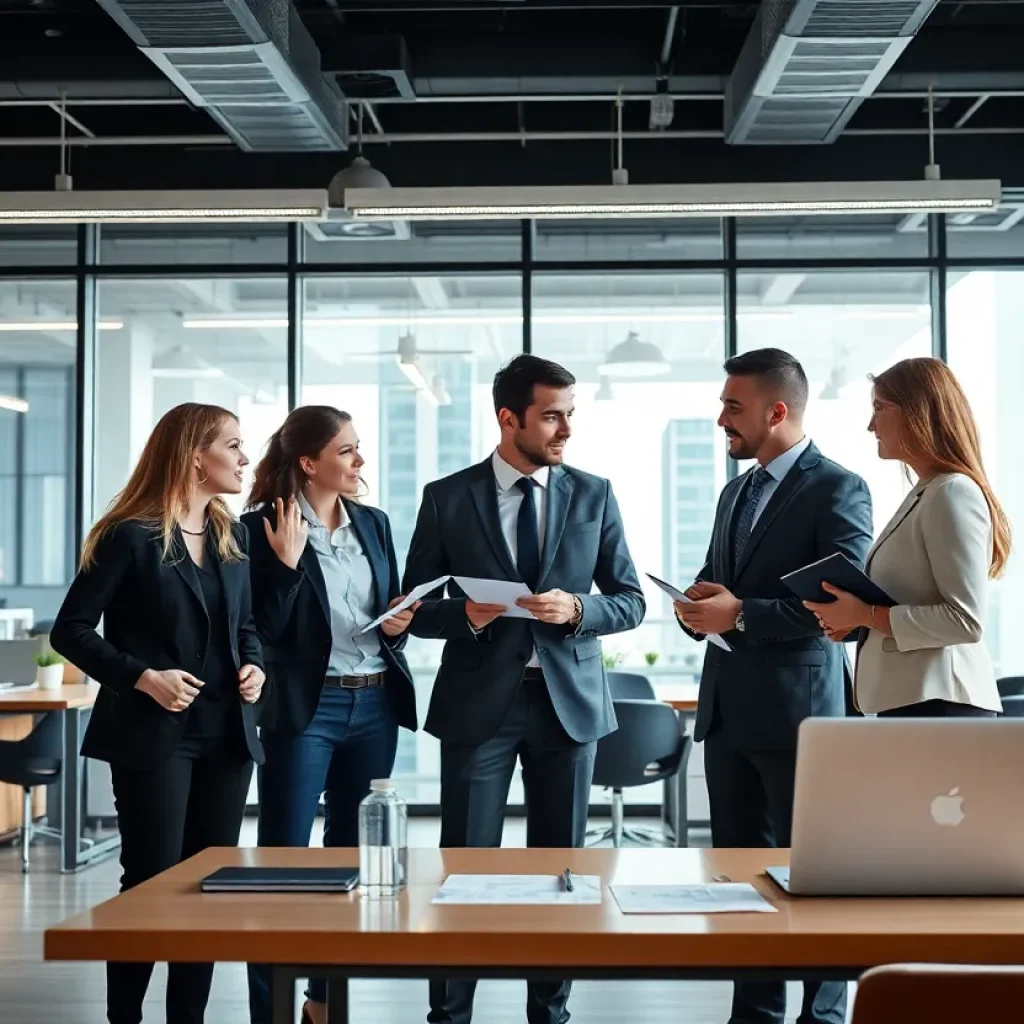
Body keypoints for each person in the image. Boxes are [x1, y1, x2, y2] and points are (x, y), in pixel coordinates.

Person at [403, 354, 645, 1024]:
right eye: (552, 415)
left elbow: (629, 601)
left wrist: (578, 609)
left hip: (568, 709)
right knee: (464, 870)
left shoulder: (593, 493)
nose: (566, 428)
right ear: (509, 418)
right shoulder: (447, 496)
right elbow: (415, 607)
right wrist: (465, 614)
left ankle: (551, 1012)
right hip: (480, 705)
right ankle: (449, 1014)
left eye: (571, 413)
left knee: (561, 873)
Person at [49, 402, 265, 1024]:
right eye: (233, 444)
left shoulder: (233, 533)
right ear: (196, 456)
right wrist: (142, 677)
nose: (244, 458)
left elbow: (244, 626)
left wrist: (255, 668)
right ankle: (126, 1020)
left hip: (227, 734)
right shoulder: (130, 535)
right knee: (150, 880)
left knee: (210, 884)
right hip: (153, 734)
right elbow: (72, 630)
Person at [674, 348, 872, 1024]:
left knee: (813, 879)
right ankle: (754, 1013)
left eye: (733, 405)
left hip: (799, 718)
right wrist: (699, 607)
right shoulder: (737, 490)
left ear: (776, 410)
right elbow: (720, 577)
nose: (721, 417)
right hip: (727, 715)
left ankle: (824, 1014)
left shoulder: (837, 488)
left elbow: (839, 607)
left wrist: (743, 613)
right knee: (738, 882)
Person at [240, 406, 418, 1024]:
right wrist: (287, 567)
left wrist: (400, 624)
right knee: (282, 860)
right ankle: (271, 1010)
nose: (359, 462)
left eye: (358, 448)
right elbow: (262, 629)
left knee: (353, 856)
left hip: (374, 703)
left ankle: (323, 999)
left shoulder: (374, 522)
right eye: (347, 451)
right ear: (310, 462)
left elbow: (386, 612)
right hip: (305, 708)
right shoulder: (261, 526)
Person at [805, 357, 1009, 718]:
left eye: (879, 409)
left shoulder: (952, 493)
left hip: (941, 704)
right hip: (916, 703)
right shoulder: (927, 493)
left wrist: (867, 614)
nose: (870, 425)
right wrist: (856, 619)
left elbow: (965, 621)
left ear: (918, 412)